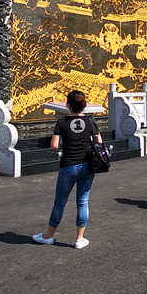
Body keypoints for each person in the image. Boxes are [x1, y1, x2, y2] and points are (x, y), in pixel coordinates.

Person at [33, 90, 103, 250]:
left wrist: (68, 144)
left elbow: (54, 145)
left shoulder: (62, 122)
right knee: (83, 202)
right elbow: (99, 141)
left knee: (60, 202)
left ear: (67, 105)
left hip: (68, 165)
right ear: (84, 105)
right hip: (87, 165)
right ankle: (80, 239)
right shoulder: (90, 121)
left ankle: (48, 236)